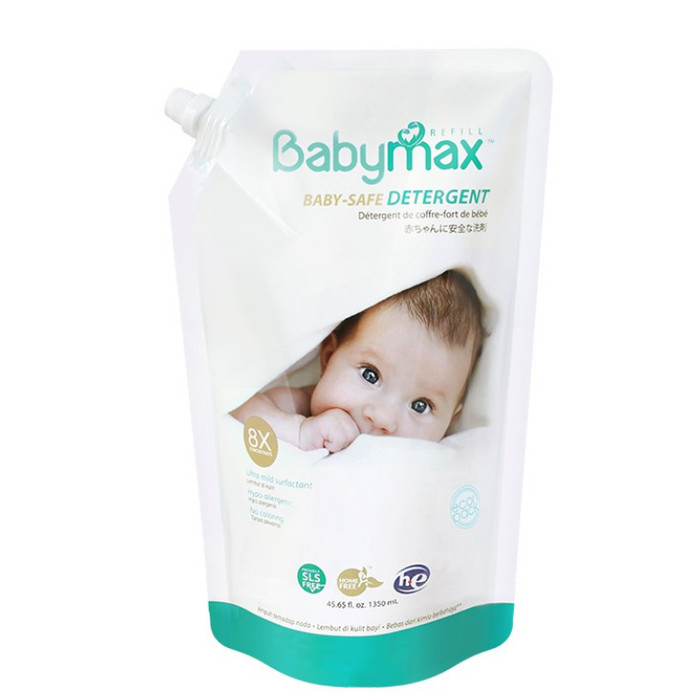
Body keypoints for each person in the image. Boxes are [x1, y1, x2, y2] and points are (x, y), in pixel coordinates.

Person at [231, 270, 485, 452]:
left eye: (421, 406)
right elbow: (239, 407)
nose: (384, 418)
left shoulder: (437, 457)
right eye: (370, 375)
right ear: (328, 357)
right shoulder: (301, 406)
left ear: (452, 418)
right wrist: (298, 431)